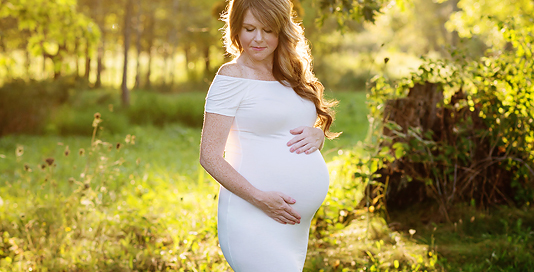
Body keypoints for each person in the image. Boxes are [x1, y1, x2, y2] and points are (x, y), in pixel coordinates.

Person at [199, 0, 339, 270]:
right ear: (236, 30)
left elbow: (297, 122)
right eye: (249, 29)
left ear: (282, 31)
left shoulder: (291, 73)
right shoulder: (232, 77)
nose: (258, 38)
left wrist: (318, 135)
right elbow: (209, 156)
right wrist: (260, 198)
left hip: (292, 225)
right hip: (253, 214)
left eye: (268, 29)